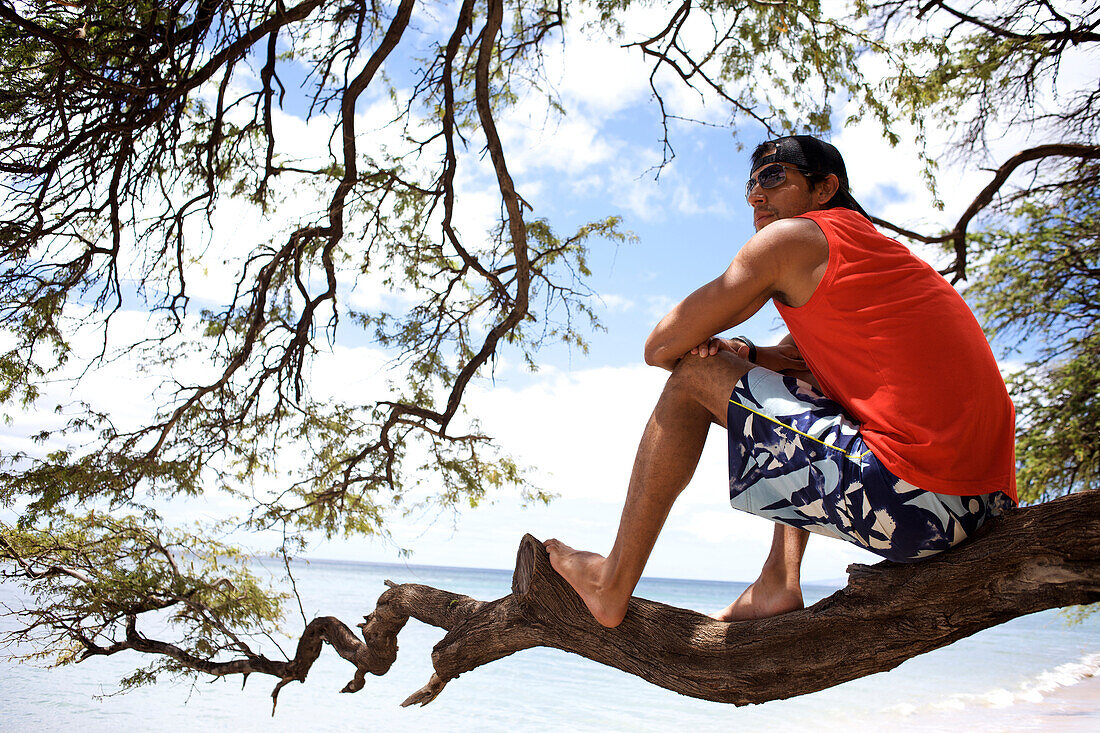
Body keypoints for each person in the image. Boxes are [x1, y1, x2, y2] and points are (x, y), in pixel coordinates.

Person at [546, 135, 1017, 628]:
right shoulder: (871, 255)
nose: (755, 195)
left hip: (916, 503)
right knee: (796, 391)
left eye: (774, 177)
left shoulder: (793, 238)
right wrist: (748, 354)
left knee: (694, 375)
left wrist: (712, 357)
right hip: (982, 505)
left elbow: (659, 347)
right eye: (750, 185)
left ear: (823, 189)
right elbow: (812, 371)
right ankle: (778, 579)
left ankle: (611, 583)